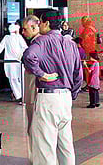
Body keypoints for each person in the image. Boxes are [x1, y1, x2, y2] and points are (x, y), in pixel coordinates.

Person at [22, 10, 82, 165]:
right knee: (66, 145)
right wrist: (71, 93)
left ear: (47, 24)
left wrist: (42, 74)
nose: (39, 25)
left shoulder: (41, 42)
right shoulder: (70, 43)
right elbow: (78, 75)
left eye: (40, 22)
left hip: (48, 98)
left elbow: (28, 56)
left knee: (45, 147)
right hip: (65, 98)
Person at [0, 23, 27, 102]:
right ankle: (22, 96)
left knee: (13, 80)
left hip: (11, 63)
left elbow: (0, 49)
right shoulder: (18, 37)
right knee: (20, 79)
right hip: (17, 62)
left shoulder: (8, 38)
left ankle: (19, 95)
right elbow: (25, 48)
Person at [20, 14, 41, 154]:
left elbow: (27, 59)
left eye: (25, 29)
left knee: (34, 127)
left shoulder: (36, 46)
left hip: (34, 93)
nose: (23, 32)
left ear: (34, 27)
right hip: (37, 93)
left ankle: (37, 158)